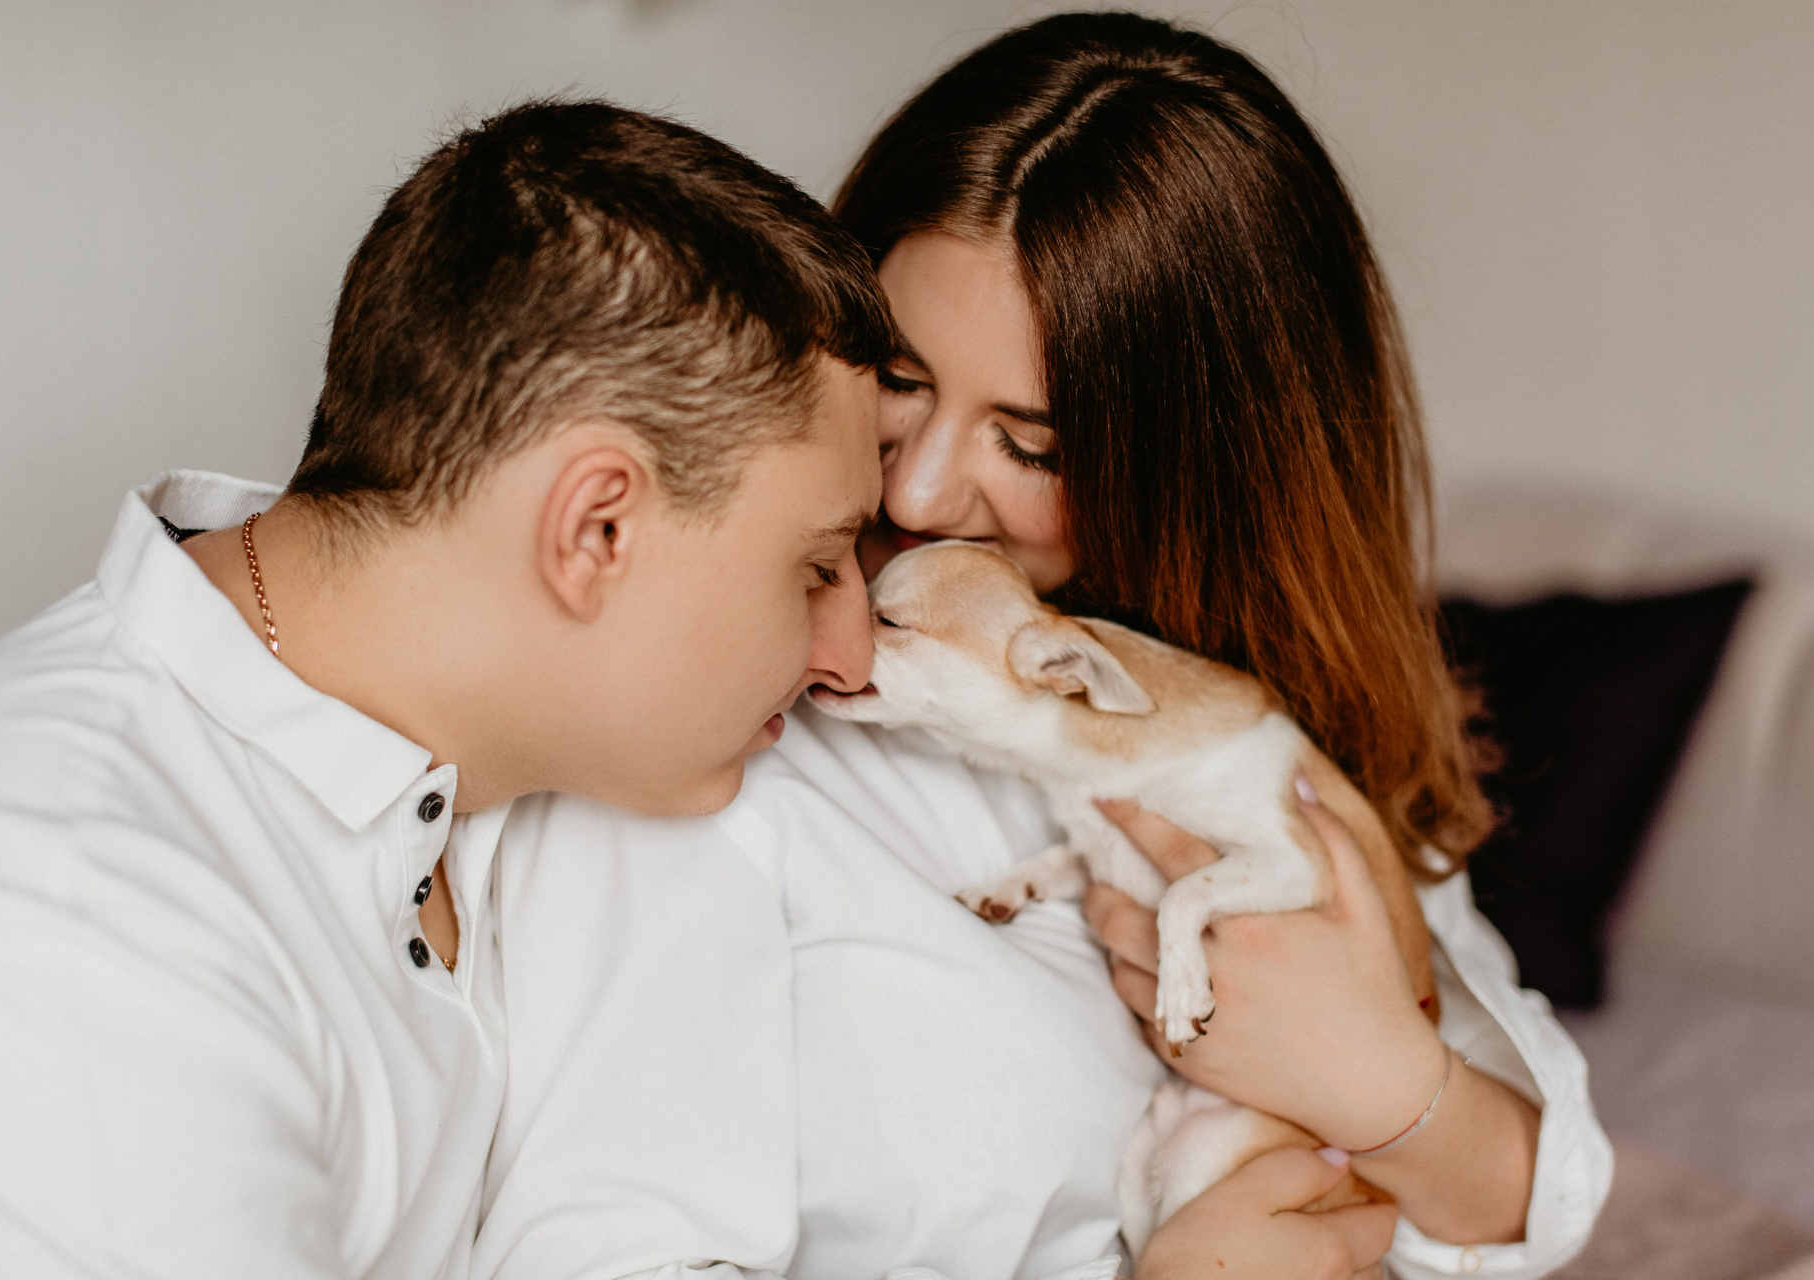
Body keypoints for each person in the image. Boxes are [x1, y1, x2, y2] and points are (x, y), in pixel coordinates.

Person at [478, 13, 1609, 1280]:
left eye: (1032, 444)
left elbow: (1539, 1185)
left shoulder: (1244, 727)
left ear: (1204, 477)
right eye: (898, 380)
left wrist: (1382, 1077)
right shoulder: (686, 742)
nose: (915, 493)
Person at [0, 99, 898, 1277]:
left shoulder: (548, 758)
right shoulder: (70, 921)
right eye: (817, 566)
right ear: (596, 528)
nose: (852, 656)